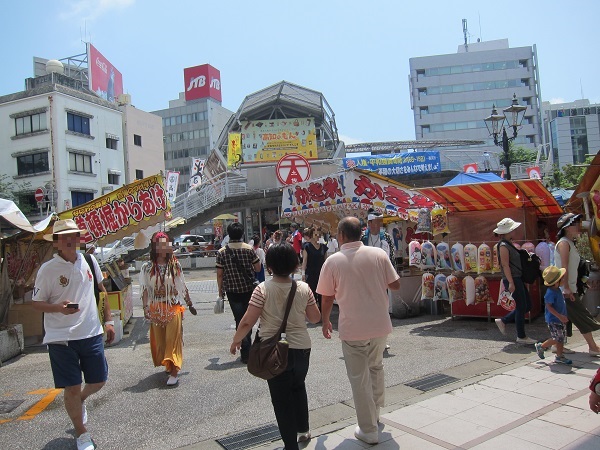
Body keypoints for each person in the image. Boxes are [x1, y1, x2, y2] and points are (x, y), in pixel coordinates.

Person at [317, 217, 401, 445]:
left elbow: (326, 297)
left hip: (353, 327)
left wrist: (325, 321)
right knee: (376, 367)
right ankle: (375, 415)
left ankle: (368, 429)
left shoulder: (333, 261)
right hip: (380, 325)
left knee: (359, 377)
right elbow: (395, 284)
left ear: (342, 235)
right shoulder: (378, 254)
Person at [32, 219, 115, 450]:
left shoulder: (89, 260)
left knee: (99, 380)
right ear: (57, 242)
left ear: (79, 239)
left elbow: (102, 291)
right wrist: (58, 307)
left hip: (90, 332)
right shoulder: (48, 269)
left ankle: (80, 400)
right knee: (71, 386)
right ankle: (81, 433)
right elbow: (37, 303)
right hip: (61, 338)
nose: (70, 240)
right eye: (64, 237)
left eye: (74, 235)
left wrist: (108, 321)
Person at [230, 242, 321, 450]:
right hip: (302, 349)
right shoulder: (304, 288)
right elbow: (315, 318)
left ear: (269, 265)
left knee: (281, 400)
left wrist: (236, 340)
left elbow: (247, 321)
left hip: (273, 350)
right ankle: (304, 430)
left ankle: (290, 446)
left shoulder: (262, 289)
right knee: (298, 386)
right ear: (294, 264)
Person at [140, 231, 195, 386]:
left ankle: (175, 371)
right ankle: (169, 364)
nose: (164, 247)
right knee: (162, 343)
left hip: (173, 308)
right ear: (155, 247)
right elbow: (144, 289)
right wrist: (145, 307)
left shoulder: (175, 265)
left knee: (173, 340)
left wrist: (189, 302)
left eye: (166, 244)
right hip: (156, 310)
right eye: (160, 244)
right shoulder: (147, 267)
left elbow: (182, 286)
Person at [554, 213, 600, 355]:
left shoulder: (569, 243)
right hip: (565, 288)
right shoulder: (564, 243)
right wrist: (567, 287)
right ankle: (592, 347)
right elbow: (564, 267)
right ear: (567, 228)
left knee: (565, 319)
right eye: (576, 224)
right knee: (582, 316)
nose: (579, 226)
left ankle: (556, 346)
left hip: (569, 287)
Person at [217, 222, 261, 363]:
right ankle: (248, 349)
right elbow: (258, 268)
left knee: (239, 319)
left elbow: (219, 275)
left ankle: (245, 351)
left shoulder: (222, 252)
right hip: (249, 289)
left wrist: (220, 292)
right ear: (242, 234)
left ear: (229, 234)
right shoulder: (248, 249)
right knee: (250, 318)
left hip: (232, 291)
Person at [493, 218, 536, 345]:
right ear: (508, 231)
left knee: (527, 305)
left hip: (516, 278)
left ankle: (504, 321)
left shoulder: (508, 243)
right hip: (513, 279)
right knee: (522, 306)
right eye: (513, 229)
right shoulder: (504, 245)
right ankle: (521, 336)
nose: (515, 231)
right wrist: (511, 282)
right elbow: (505, 265)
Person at [534, 266, 572, 364]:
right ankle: (541, 346)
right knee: (557, 338)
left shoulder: (557, 290)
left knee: (561, 338)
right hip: (554, 320)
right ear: (556, 282)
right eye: (562, 278)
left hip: (560, 319)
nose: (564, 279)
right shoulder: (550, 293)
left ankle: (559, 356)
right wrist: (560, 316)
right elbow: (549, 307)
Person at [301, 227, 327, 308]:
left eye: (319, 234)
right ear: (312, 235)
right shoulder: (307, 246)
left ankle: (322, 314)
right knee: (313, 294)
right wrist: (303, 273)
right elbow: (304, 261)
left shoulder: (323, 247)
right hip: (311, 273)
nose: (318, 236)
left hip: (321, 274)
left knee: (322, 295)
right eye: (316, 234)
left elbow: (326, 261)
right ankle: (314, 315)